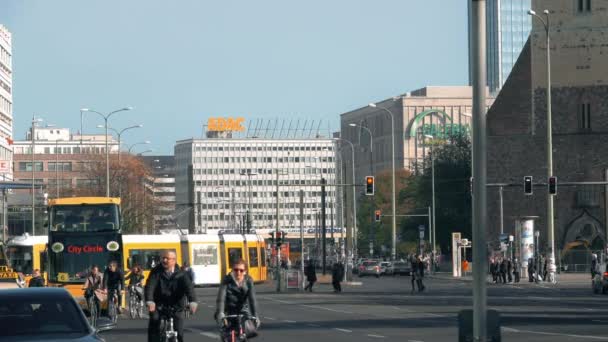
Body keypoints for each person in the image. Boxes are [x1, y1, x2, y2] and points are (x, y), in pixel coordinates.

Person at [146, 250, 197, 342]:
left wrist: (192, 301)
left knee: (179, 331)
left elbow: (189, 288)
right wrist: (150, 301)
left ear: (174, 260)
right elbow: (150, 286)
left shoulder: (182, 274)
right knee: (154, 321)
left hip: (176, 306)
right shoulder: (156, 272)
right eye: (163, 258)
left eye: (167, 258)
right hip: (159, 305)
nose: (164, 260)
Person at [215, 259, 260, 339]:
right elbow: (221, 298)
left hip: (243, 309)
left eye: (241, 270)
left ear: (245, 271)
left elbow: (252, 299)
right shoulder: (226, 280)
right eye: (236, 270)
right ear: (232, 270)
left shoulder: (248, 280)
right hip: (228, 309)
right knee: (227, 333)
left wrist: (255, 315)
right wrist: (221, 312)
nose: (238, 272)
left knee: (247, 331)